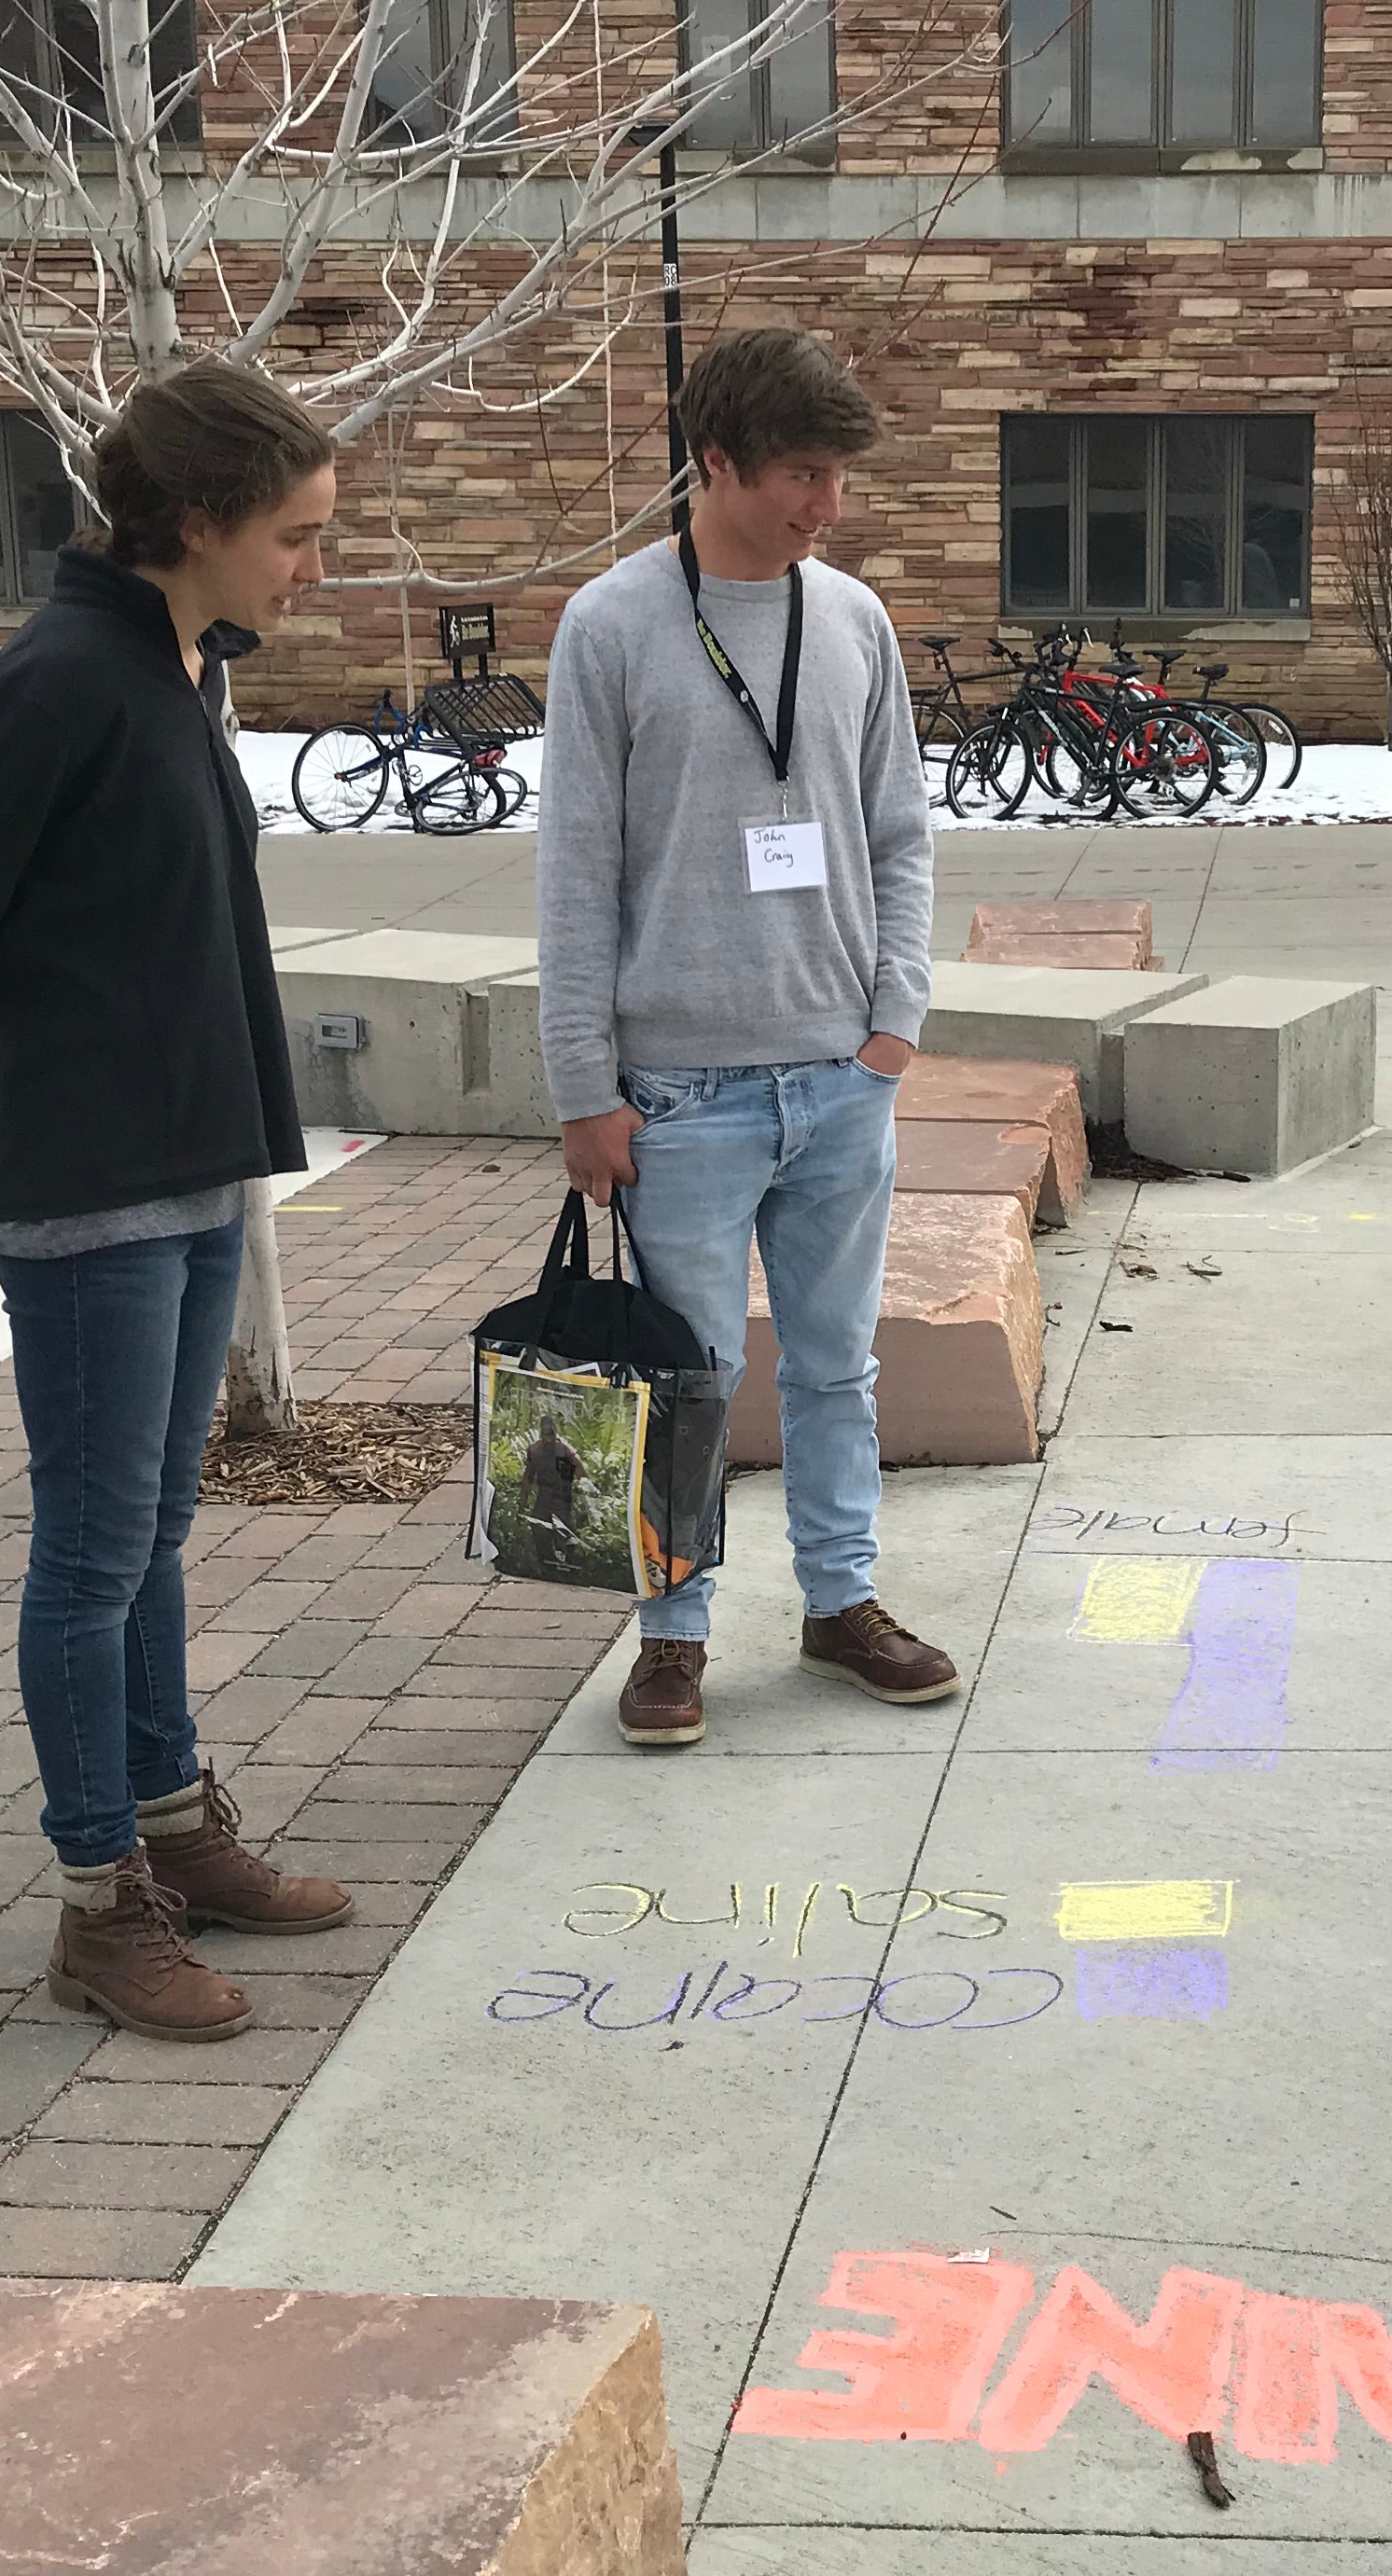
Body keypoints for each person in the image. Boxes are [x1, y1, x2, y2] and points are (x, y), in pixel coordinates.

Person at [0, 365, 354, 2043]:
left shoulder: (167, 662)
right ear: (196, 523)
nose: (311, 568)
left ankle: (172, 1824)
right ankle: (99, 1905)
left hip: (191, 1162)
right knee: (88, 1553)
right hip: (89, 1185)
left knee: (150, 1532)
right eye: (294, 536)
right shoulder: (57, 683)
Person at [537, 326, 953, 1752]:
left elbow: (900, 830)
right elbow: (575, 875)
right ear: (713, 463)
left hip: (841, 1078)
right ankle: (674, 1634)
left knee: (839, 1368)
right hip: (680, 1097)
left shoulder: (853, 622)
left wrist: (894, 1020)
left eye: (835, 478)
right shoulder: (611, 626)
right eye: (802, 474)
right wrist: (584, 1090)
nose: (825, 506)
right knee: (688, 1381)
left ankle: (841, 1604)